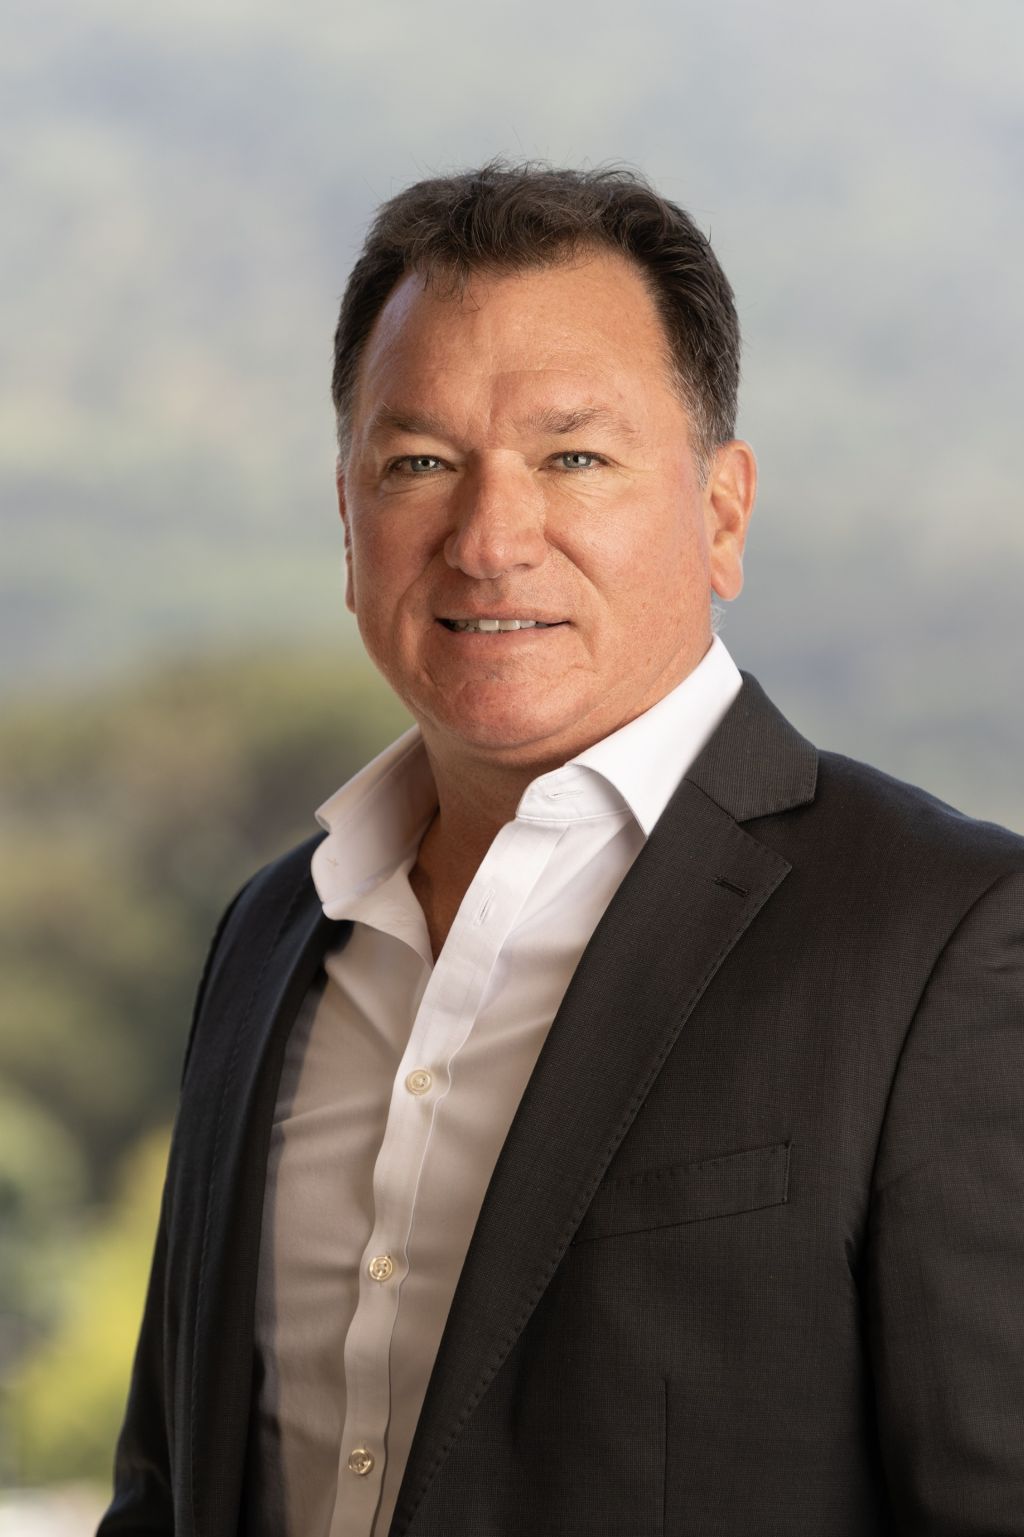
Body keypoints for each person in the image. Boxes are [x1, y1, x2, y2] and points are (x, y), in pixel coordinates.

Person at [99, 163, 1024, 1537]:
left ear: (722, 512)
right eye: (419, 464)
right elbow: (170, 1495)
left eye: (573, 458)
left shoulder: (945, 940)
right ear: (349, 520)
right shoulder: (271, 935)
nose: (488, 540)